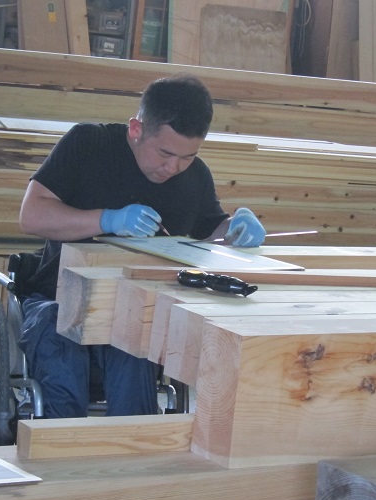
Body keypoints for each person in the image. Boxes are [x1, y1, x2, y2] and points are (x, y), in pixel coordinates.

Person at [18, 74, 265, 418]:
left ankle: (134, 443)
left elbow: (211, 234)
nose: (173, 167)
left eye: (187, 156)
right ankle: (57, 443)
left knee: (135, 349)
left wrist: (236, 228)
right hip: (55, 298)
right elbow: (31, 216)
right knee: (61, 360)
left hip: (136, 310)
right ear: (136, 129)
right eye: (165, 153)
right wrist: (106, 220)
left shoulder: (195, 177)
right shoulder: (88, 144)